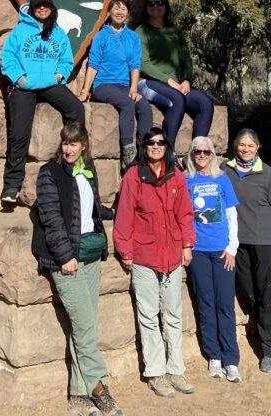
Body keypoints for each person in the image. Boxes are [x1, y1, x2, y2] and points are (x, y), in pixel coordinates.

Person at [32, 122, 123, 416]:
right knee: (84, 325)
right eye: (65, 143)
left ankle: (78, 395)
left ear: (84, 145)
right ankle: (100, 387)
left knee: (83, 327)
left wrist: (115, 213)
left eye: (74, 143)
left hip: (91, 255)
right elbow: (51, 217)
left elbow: (91, 210)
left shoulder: (88, 171)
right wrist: (64, 255)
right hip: (67, 259)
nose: (69, 149)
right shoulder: (49, 173)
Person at [113, 126, 196, 398]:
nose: (156, 147)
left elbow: (185, 213)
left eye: (160, 142)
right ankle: (157, 372)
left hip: (172, 254)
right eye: (150, 143)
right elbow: (124, 215)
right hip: (145, 257)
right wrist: (125, 251)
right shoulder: (134, 176)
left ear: (167, 146)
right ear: (144, 147)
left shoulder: (176, 176)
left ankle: (176, 369)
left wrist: (187, 244)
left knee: (173, 315)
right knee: (149, 316)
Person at [221, 127, 271, 373]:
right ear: (236, 146)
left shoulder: (268, 173)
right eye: (242, 145)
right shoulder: (226, 170)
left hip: (265, 243)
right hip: (238, 243)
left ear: (258, 147)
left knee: (268, 295)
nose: (245, 149)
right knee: (251, 294)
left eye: (250, 145)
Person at [1, 0, 84, 205]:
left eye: (46, 5)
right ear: (33, 8)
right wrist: (19, 78)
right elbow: (7, 56)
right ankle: (12, 184)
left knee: (76, 109)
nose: (42, 8)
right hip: (25, 85)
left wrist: (59, 75)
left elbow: (67, 59)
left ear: (51, 7)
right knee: (19, 133)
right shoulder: (20, 30)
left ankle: (75, 161)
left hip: (49, 83)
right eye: (38, 5)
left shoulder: (58, 32)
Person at [185, 135, 241, 382]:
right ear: (191, 154)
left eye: (206, 151)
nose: (202, 155)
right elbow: (183, 217)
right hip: (198, 252)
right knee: (206, 304)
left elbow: (232, 215)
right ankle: (214, 357)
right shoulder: (186, 180)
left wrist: (232, 248)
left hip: (222, 251)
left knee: (225, 304)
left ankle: (231, 359)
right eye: (197, 151)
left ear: (212, 155)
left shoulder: (222, 179)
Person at [79, 0, 152, 171]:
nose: (120, 11)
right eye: (116, 8)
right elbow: (93, 65)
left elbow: (135, 65)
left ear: (128, 13)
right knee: (127, 104)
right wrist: (85, 90)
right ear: (109, 11)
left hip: (124, 85)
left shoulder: (133, 37)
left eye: (123, 8)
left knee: (144, 107)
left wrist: (134, 88)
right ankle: (128, 154)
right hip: (103, 85)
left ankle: (144, 151)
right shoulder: (101, 36)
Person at [135, 0, 214, 151]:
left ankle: (197, 152)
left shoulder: (175, 31)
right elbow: (143, 63)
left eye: (159, 3)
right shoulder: (141, 31)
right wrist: (169, 81)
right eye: (151, 3)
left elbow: (186, 60)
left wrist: (186, 80)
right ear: (146, 8)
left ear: (166, 7)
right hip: (147, 83)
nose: (155, 6)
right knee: (178, 99)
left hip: (176, 85)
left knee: (205, 103)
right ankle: (167, 152)